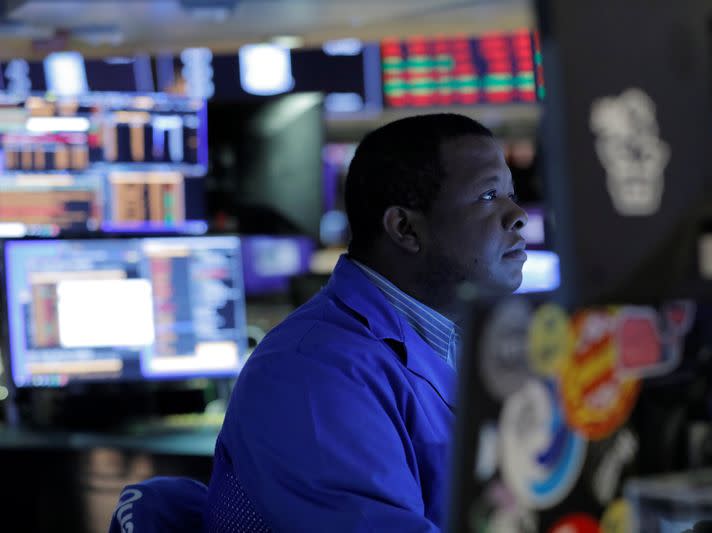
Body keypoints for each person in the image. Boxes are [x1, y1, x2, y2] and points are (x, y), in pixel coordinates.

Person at [205, 113, 528, 532]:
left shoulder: (460, 341)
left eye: (511, 194)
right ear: (405, 228)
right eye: (488, 196)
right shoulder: (311, 373)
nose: (518, 215)